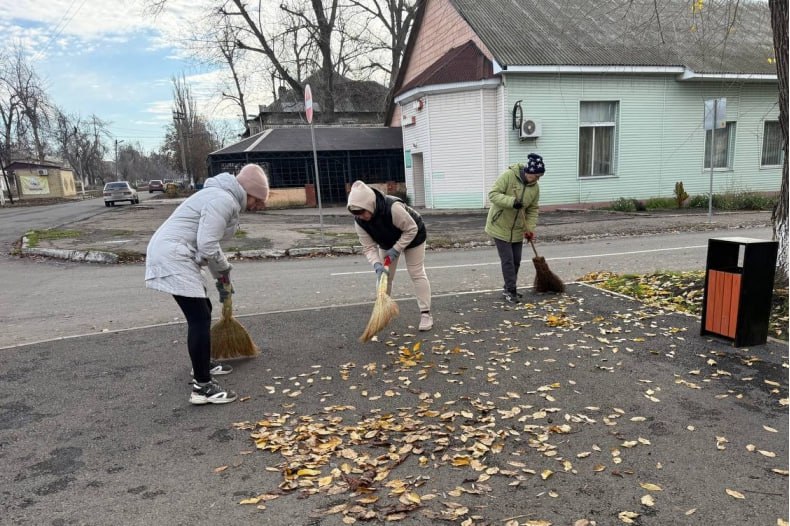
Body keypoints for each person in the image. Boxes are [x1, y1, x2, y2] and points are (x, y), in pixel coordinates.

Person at [144, 164, 269, 405]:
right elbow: (208, 245)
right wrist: (224, 270)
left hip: (176, 253)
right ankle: (202, 387)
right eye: (258, 200)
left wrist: (221, 278)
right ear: (249, 192)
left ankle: (203, 365)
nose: (257, 205)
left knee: (204, 310)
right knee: (199, 318)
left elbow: (208, 246)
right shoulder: (223, 200)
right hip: (174, 255)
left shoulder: (220, 196)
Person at [347, 180, 433, 332]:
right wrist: (376, 264)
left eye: (362, 212)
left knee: (416, 272)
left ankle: (425, 314)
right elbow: (368, 247)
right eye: (356, 214)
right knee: (384, 277)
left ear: (369, 204)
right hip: (387, 241)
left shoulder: (392, 207)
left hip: (413, 235)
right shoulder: (360, 221)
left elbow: (411, 229)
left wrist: (396, 249)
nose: (361, 217)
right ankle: (383, 311)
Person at [484, 153, 545, 303]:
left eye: (539, 177)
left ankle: (508, 288)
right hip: (500, 225)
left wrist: (529, 229)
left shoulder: (535, 188)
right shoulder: (509, 176)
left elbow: (533, 209)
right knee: (508, 261)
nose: (537, 179)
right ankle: (511, 291)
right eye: (536, 176)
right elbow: (493, 195)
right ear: (529, 171)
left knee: (516, 260)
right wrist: (512, 202)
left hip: (518, 228)